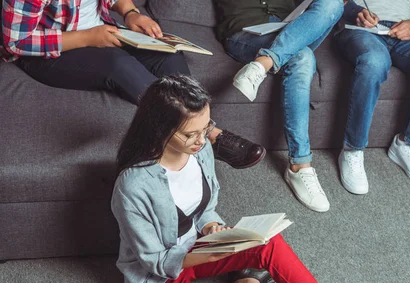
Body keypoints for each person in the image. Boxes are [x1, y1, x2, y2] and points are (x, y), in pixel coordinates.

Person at [111, 75, 404, 283]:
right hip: (159, 274)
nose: (202, 141)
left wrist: (212, 227)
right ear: (161, 129)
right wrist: (216, 251)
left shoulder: (202, 151)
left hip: (200, 245)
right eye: (190, 134)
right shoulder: (133, 186)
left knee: (269, 241)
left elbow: (205, 208)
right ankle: (248, 282)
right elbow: (154, 261)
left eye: (206, 128)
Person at [1, 0, 264, 169]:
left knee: (168, 53)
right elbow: (16, 41)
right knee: (118, 65)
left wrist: (130, 13)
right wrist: (86, 38)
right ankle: (208, 134)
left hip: (103, 30)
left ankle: (194, 130)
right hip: (50, 53)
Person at [216, 0, 345, 212]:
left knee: (333, 3)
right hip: (245, 33)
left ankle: (263, 63)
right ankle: (300, 165)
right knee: (303, 57)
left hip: (291, 29)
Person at [334, 0, 410, 194]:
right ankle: (352, 149)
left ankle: (407, 145)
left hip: (405, 31)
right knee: (374, 62)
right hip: (360, 29)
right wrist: (355, 12)